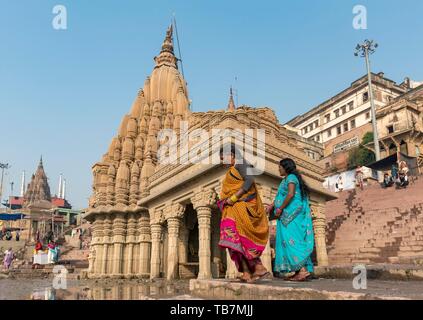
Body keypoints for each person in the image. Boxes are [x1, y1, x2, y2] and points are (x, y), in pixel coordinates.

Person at [218, 144, 270, 283]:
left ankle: (258, 267)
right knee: (235, 242)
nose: (222, 161)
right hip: (233, 209)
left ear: (232, 155)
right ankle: (247, 272)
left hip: (242, 207)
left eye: (224, 158)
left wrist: (233, 198)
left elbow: (249, 181)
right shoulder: (232, 169)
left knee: (242, 239)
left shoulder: (241, 163)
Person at [268, 158, 314, 282]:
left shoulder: (291, 178)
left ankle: (303, 270)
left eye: (280, 167)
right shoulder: (286, 180)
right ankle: (299, 271)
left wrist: (280, 208)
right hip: (286, 216)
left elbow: (291, 194)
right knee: (289, 241)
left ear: (286, 167)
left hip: (292, 215)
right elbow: (281, 195)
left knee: (293, 241)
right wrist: (272, 206)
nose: (278, 169)